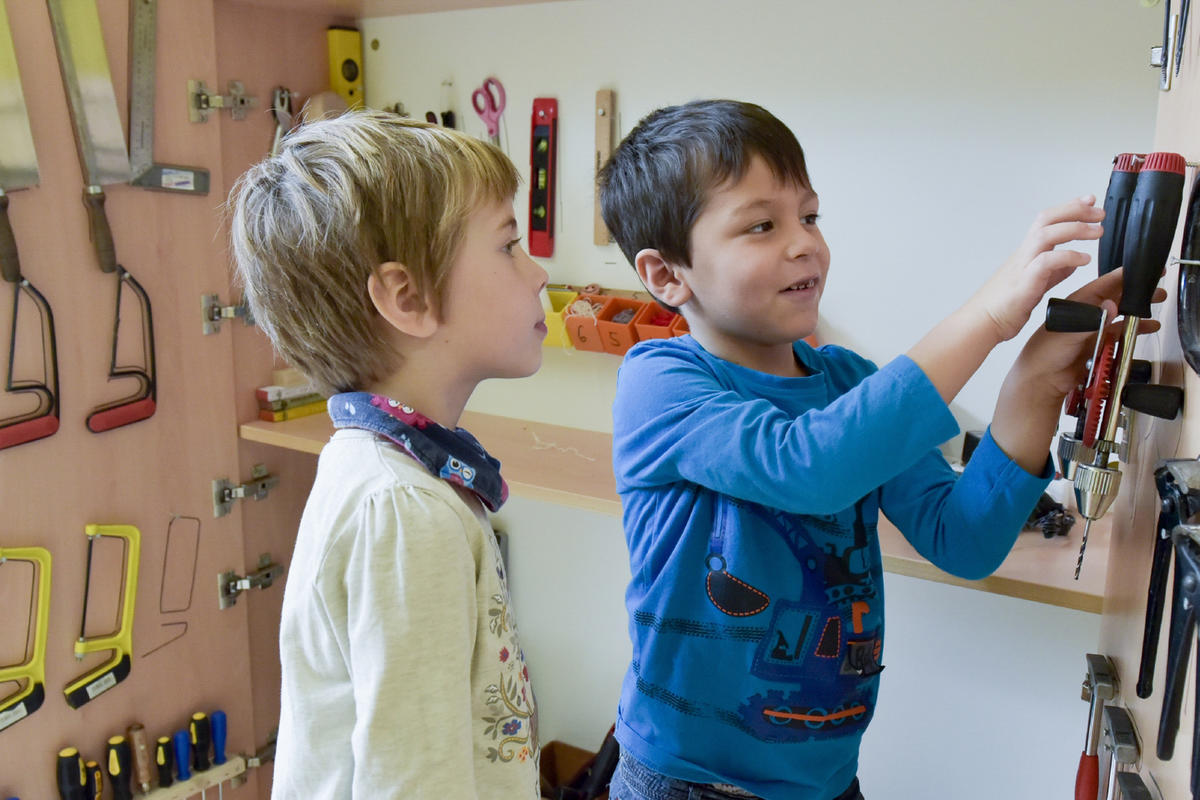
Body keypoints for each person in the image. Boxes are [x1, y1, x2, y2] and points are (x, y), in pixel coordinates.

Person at [597, 99, 1149, 800]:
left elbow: (964, 539)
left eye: (810, 216)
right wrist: (988, 314)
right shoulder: (661, 383)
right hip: (687, 784)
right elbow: (811, 465)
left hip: (826, 783)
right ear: (668, 275)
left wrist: (1036, 383)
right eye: (762, 225)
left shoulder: (847, 383)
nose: (804, 244)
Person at [228, 110, 548, 799]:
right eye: (508, 246)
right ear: (409, 298)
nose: (538, 271)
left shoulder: (384, 472)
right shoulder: (405, 511)